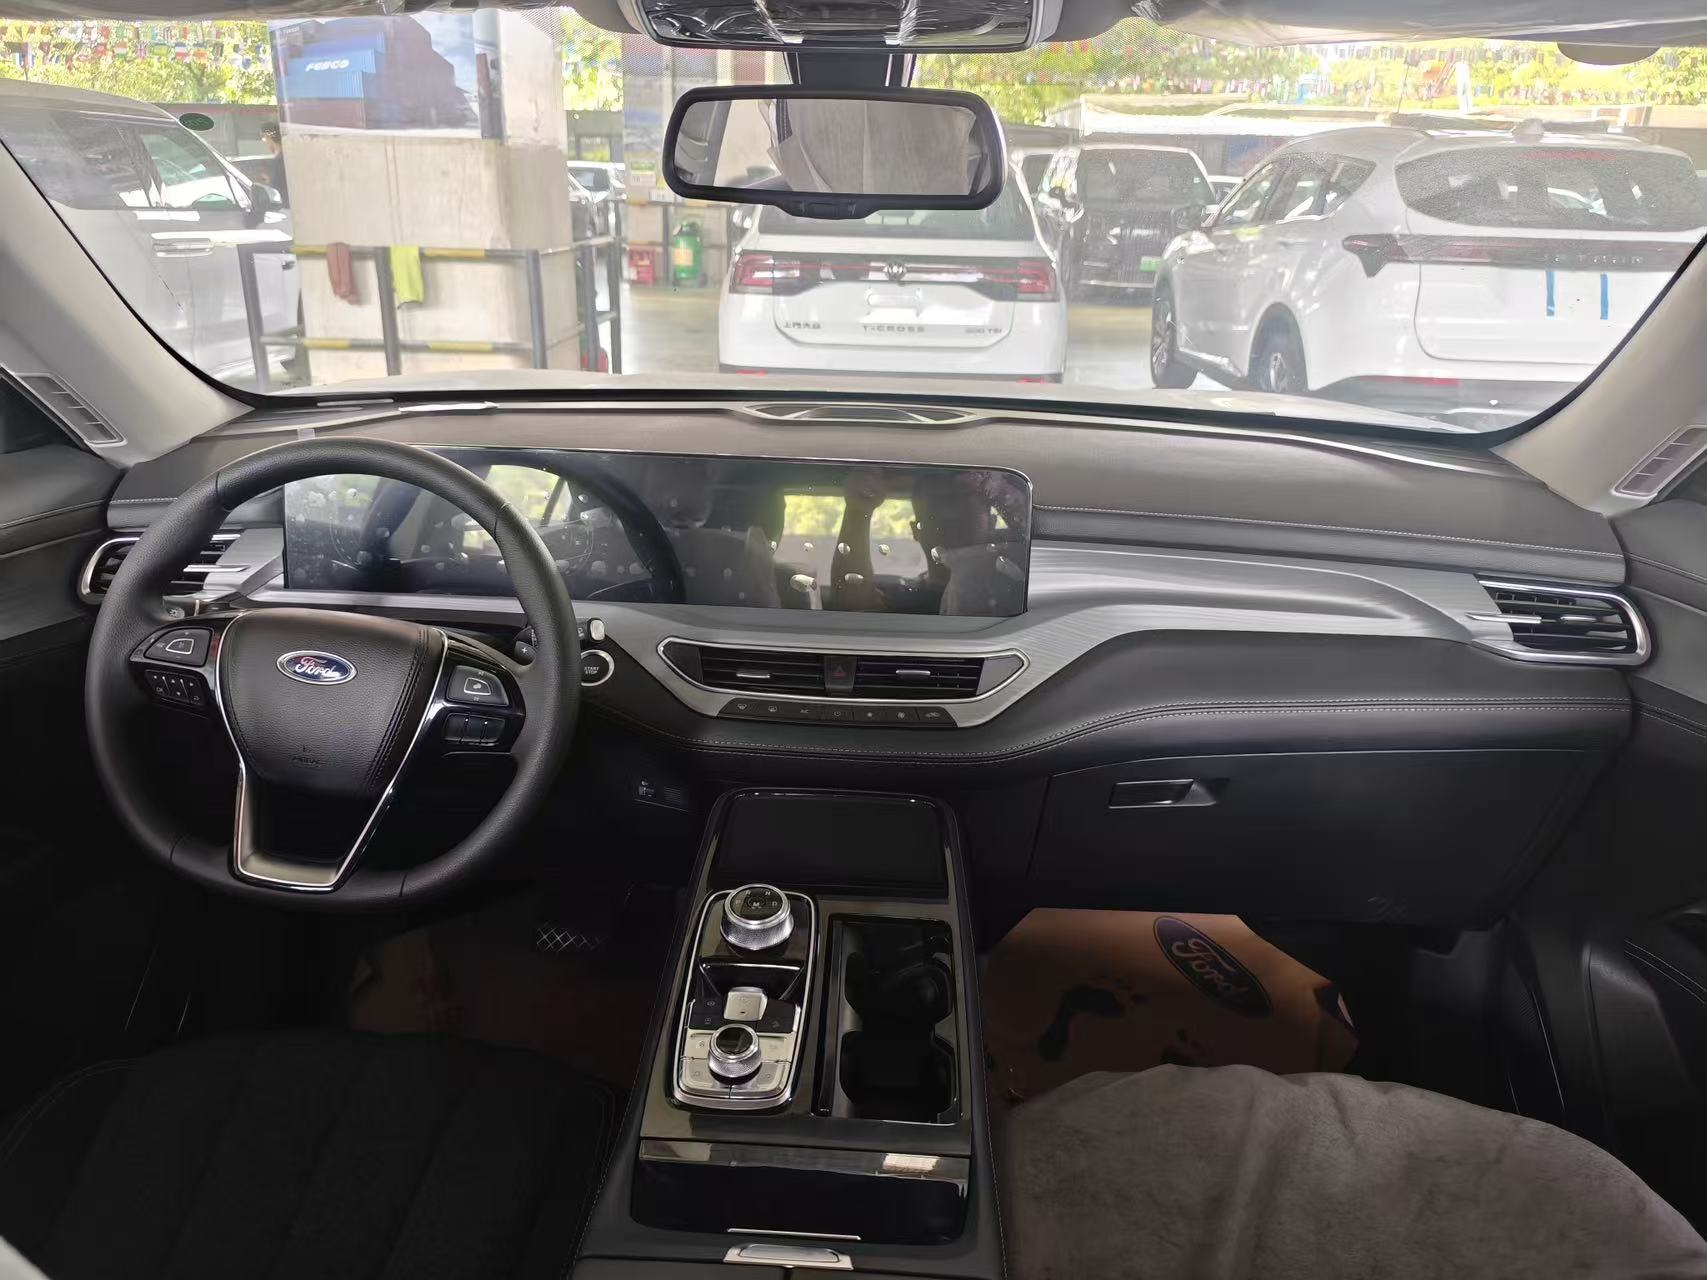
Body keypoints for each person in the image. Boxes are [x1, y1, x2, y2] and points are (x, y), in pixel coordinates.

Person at [258, 121, 289, 205]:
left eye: (264, 138)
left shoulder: (278, 162)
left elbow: (277, 191)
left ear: (268, 136)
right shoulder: (288, 158)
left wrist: (269, 182)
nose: (265, 143)